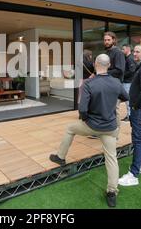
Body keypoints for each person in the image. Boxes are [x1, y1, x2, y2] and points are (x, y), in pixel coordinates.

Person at [49, 54, 129, 208]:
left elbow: (83, 109)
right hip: (110, 128)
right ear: (109, 64)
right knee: (111, 158)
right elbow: (125, 97)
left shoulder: (89, 84)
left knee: (70, 128)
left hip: (92, 126)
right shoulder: (116, 82)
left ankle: (60, 157)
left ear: (95, 64)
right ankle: (112, 192)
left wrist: (86, 119)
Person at [118, 44, 141, 187]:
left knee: (138, 140)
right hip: (140, 108)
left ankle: (134, 174)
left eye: (137, 51)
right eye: (133, 51)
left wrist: (134, 105)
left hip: (140, 109)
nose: (134, 54)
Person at [121, 44, 137, 122]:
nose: (122, 50)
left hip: (128, 82)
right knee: (127, 100)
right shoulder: (127, 58)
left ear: (128, 49)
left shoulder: (130, 58)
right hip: (127, 82)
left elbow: (132, 70)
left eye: (123, 49)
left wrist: (122, 75)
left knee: (128, 100)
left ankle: (130, 116)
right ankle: (129, 115)